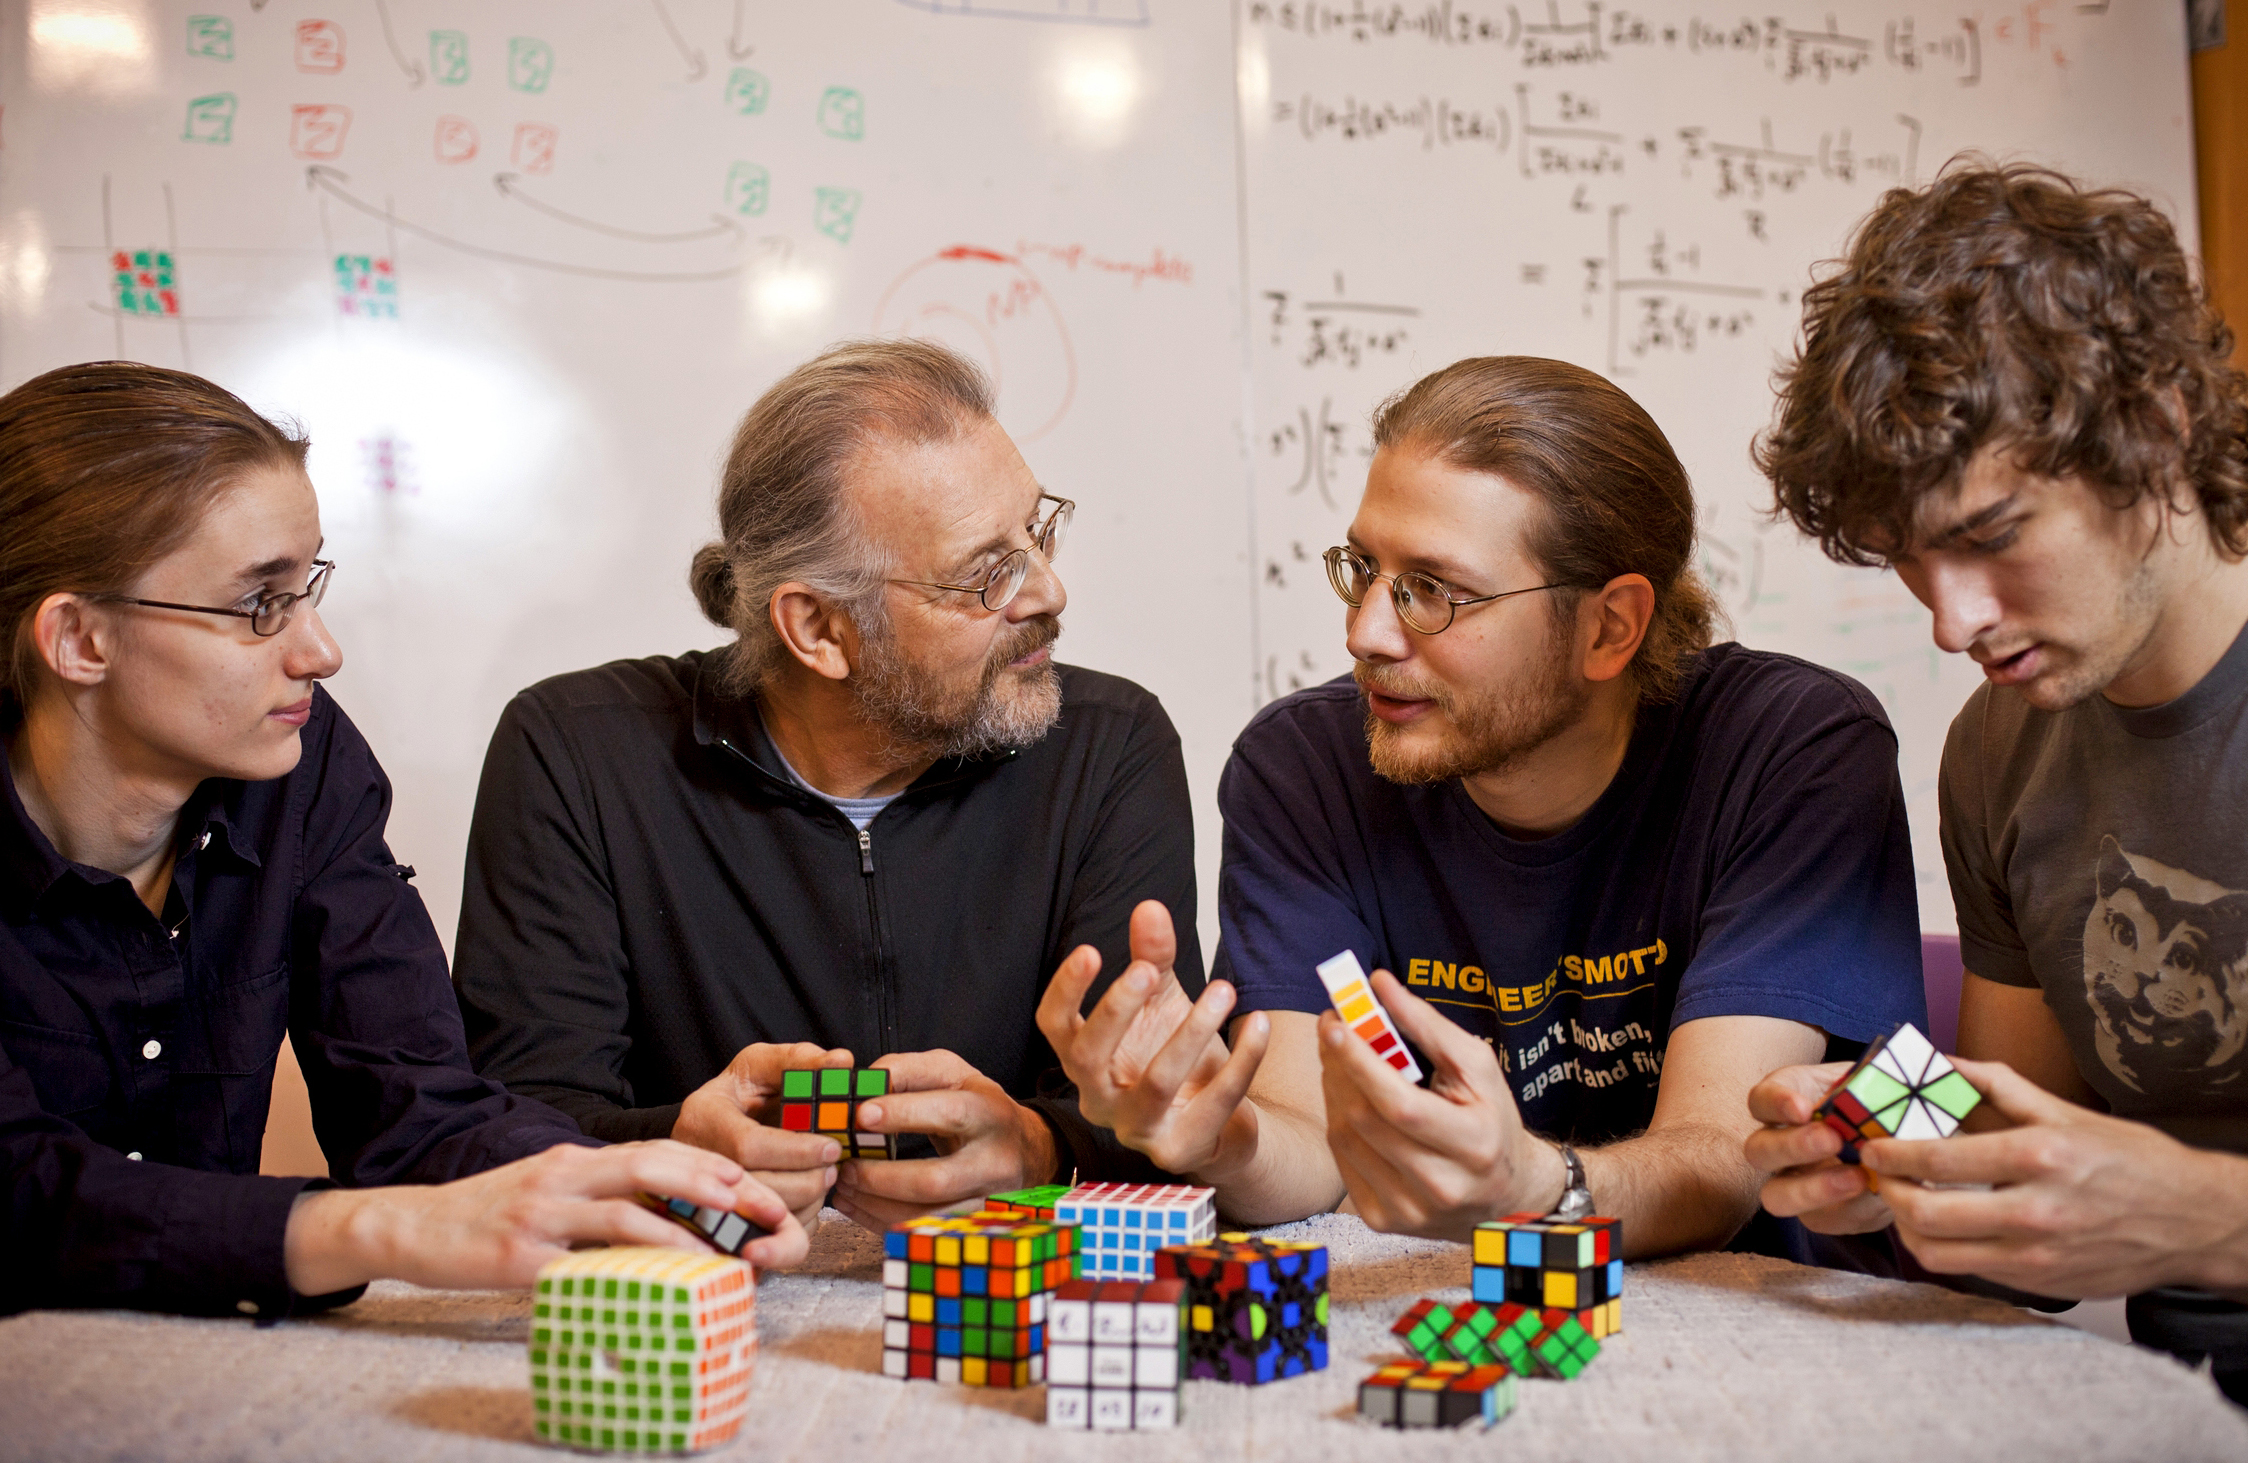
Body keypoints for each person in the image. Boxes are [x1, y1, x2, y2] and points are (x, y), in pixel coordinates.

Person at [1038, 356, 1925, 1257]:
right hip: (1468, 1318)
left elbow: (1719, 1166)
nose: (1365, 633)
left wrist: (1538, 1188)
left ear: (1609, 627)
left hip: (1763, 1327)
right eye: (1366, 570)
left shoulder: (1791, 748)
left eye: (1434, 591)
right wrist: (1224, 1140)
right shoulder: (1299, 767)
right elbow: (1313, 1152)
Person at [0, 362, 804, 1319]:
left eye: (309, 587)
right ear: (80, 640)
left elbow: (415, 1106)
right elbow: (22, 1190)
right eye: (261, 603)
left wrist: (626, 1182)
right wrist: (380, 1228)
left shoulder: (303, 763)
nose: (319, 650)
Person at [452, 338, 1201, 1236]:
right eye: (986, 573)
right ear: (817, 628)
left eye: (1036, 532)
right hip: (711, 1312)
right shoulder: (575, 753)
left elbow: (1170, 1119)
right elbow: (506, 1126)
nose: (1049, 589)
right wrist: (678, 1143)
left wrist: (1044, 1146)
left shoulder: (1108, 747)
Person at [1745, 161, 2248, 1398]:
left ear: (2163, 424)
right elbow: (2033, 1158)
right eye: (1912, 562)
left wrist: (2198, 1215)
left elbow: (2148, 1197)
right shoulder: (1996, 748)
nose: (1952, 620)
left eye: (1990, 536)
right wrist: (1888, 1139)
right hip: (2176, 1383)